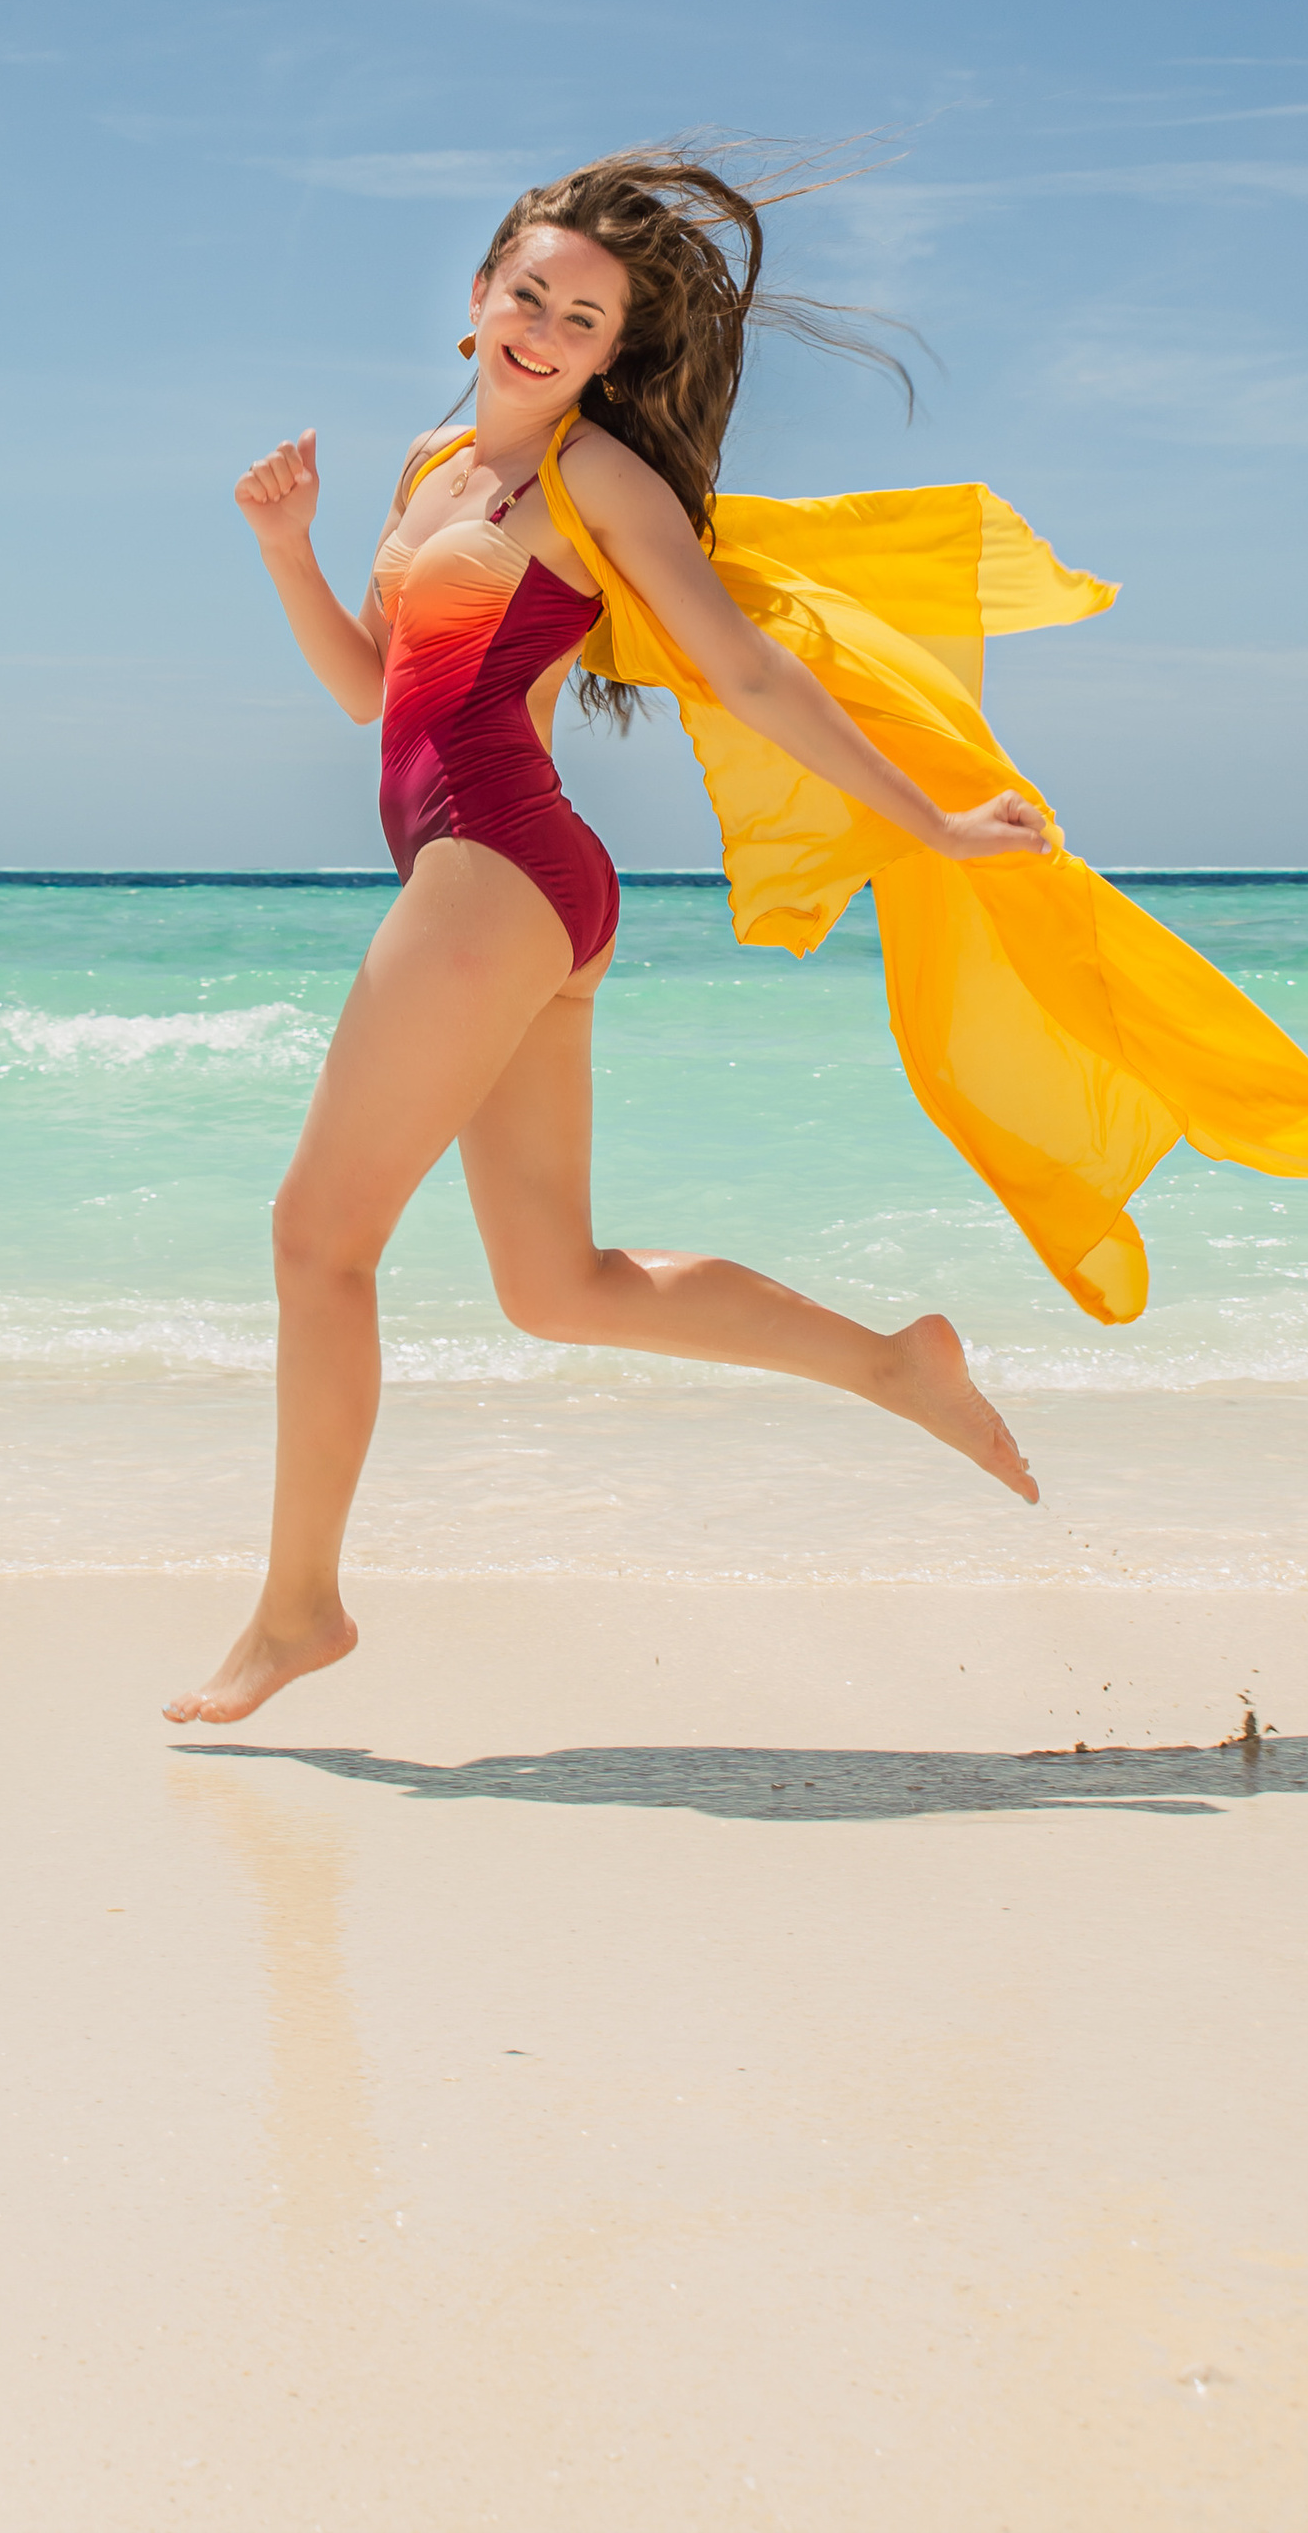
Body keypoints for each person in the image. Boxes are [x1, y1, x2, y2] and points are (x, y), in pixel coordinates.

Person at [164, 150, 1051, 1729]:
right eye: (529, 295)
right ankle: (892, 1364)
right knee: (556, 1286)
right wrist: (284, 552)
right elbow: (378, 692)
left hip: (494, 867)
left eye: (581, 318)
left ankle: (300, 1610)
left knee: (319, 1243)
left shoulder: (598, 483)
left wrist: (929, 821)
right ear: (479, 293)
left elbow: (751, 674)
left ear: (609, 351)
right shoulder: (434, 465)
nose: (544, 329)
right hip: (519, 886)